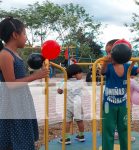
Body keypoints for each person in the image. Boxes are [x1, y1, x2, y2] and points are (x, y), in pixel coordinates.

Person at [0, 17, 49, 149]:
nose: (26, 37)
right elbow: (10, 84)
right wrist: (36, 76)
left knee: (22, 134)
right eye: (24, 34)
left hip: (21, 99)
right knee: (15, 135)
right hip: (11, 103)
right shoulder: (5, 54)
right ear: (15, 35)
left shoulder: (15, 53)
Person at [101, 39, 139, 150]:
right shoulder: (109, 66)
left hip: (123, 104)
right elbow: (102, 72)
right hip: (108, 105)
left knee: (124, 129)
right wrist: (105, 61)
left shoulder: (127, 67)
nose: (109, 55)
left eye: (111, 52)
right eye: (107, 53)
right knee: (108, 129)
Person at [57, 64, 85, 144]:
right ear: (74, 74)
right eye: (80, 73)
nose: (81, 75)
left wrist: (62, 83)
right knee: (80, 121)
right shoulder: (80, 82)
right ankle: (81, 136)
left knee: (67, 122)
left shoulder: (65, 82)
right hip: (78, 106)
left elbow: (59, 91)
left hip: (69, 106)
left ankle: (66, 138)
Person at [114, 77, 139, 142]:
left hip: (116, 102)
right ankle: (126, 136)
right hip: (126, 104)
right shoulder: (131, 81)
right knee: (127, 120)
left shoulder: (117, 78)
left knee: (118, 118)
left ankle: (116, 133)